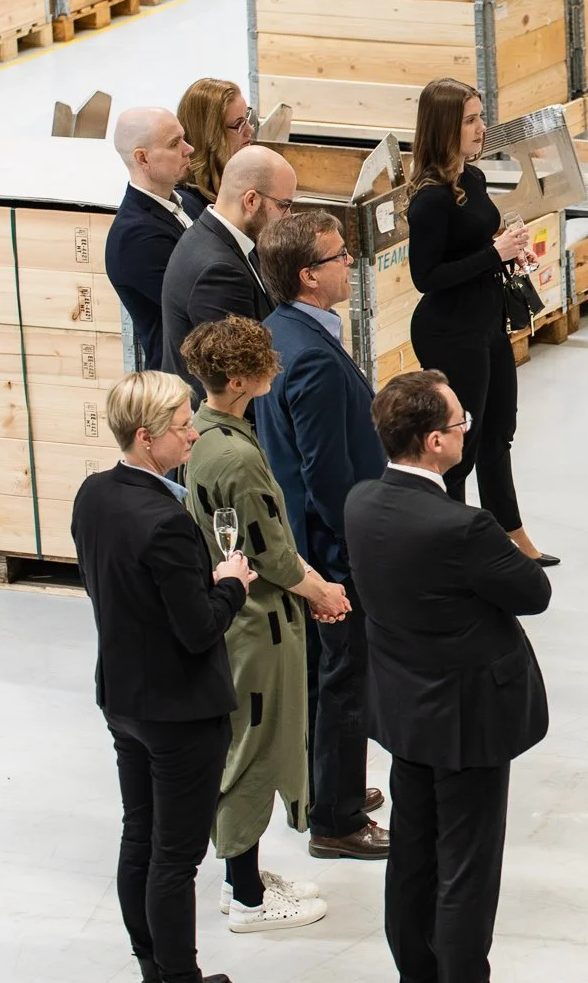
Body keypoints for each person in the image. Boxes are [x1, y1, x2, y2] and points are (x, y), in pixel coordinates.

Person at [345, 371, 554, 983]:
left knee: (412, 853)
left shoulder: (361, 503)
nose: (467, 428)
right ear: (435, 441)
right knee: (467, 868)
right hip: (469, 720)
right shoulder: (464, 527)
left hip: (405, 710)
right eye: (459, 421)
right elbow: (534, 591)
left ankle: (416, 970)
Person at [72, 369, 256, 983]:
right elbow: (200, 629)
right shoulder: (167, 521)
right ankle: (180, 977)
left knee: (139, 838)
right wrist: (231, 583)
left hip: (123, 697)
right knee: (175, 858)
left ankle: (153, 967)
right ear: (146, 437)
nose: (194, 436)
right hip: (181, 711)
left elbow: (112, 587)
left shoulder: (93, 494)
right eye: (182, 427)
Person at [180, 317, 354, 930]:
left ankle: (243, 877)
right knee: (255, 749)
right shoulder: (235, 457)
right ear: (239, 379)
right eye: (262, 364)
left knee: (249, 745)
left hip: (249, 614)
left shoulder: (208, 433)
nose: (273, 370)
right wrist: (322, 590)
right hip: (258, 625)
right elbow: (270, 553)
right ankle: (249, 897)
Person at [255, 210, 392, 861]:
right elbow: (326, 474)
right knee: (341, 680)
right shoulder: (311, 357)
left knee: (322, 675)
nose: (349, 264)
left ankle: (325, 787)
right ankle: (336, 820)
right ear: (309, 275)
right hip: (331, 549)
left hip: (309, 542)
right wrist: (352, 553)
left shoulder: (282, 331)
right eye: (339, 256)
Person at [405, 78, 557, 566]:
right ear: (444, 127)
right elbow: (426, 277)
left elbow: (473, 246)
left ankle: (510, 532)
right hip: (450, 331)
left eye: (480, 116)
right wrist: (494, 253)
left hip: (487, 321)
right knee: (460, 446)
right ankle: (455, 546)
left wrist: (505, 249)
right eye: (470, 120)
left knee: (498, 431)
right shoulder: (430, 199)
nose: (481, 127)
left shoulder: (471, 178)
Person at [161, 145, 294, 399]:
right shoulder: (219, 273)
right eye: (283, 206)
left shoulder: (222, 237)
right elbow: (241, 378)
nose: (288, 216)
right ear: (251, 201)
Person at [106, 107, 195, 371]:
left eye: (183, 138)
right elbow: (196, 305)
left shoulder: (187, 202)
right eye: (175, 143)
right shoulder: (135, 238)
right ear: (142, 158)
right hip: (184, 378)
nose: (189, 149)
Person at [176, 79, 258, 220]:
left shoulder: (234, 181)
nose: (250, 130)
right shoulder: (188, 206)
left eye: (247, 117)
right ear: (210, 134)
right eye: (239, 124)